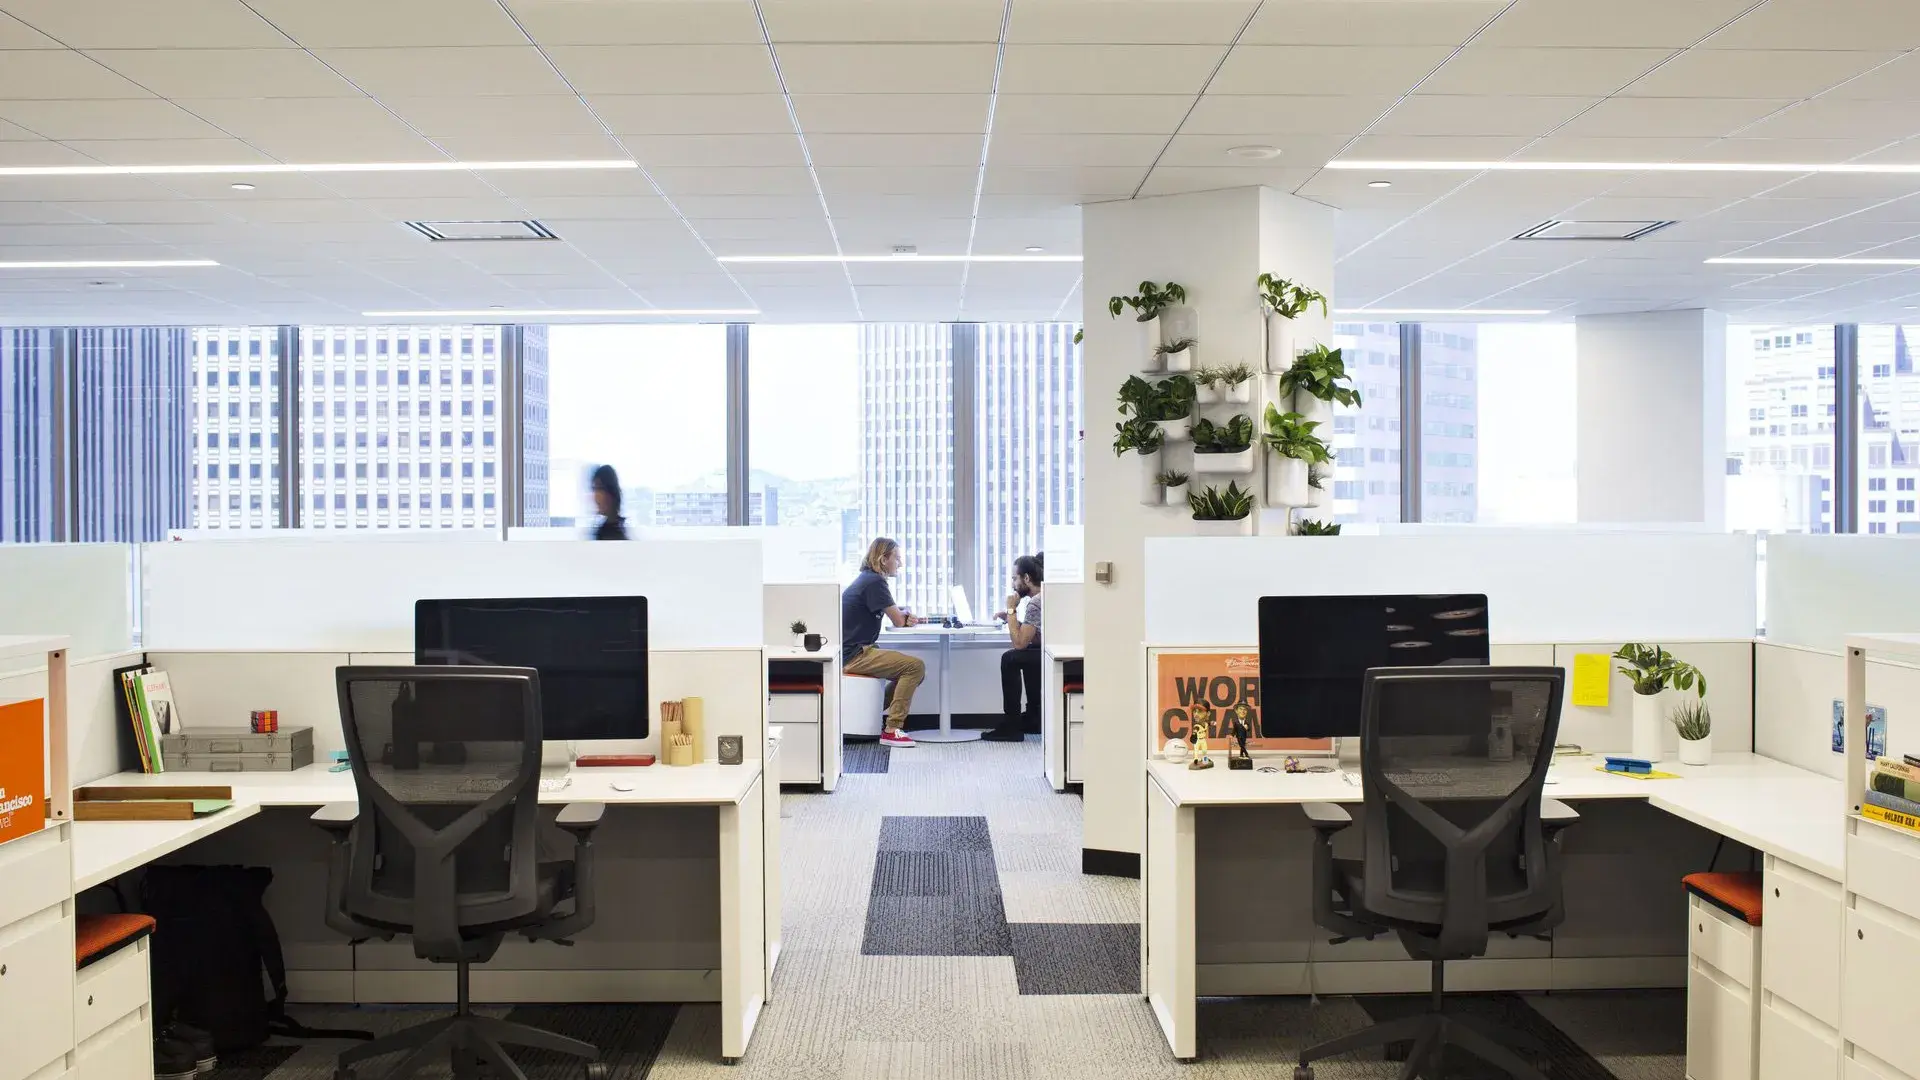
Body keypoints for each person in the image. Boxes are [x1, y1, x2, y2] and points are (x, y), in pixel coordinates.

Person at [841, 538, 925, 748]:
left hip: (853, 651)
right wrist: (904, 617)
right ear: (883, 559)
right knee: (915, 667)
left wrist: (903, 615)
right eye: (897, 558)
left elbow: (895, 613)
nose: (900, 563)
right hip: (854, 655)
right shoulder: (875, 582)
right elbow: (897, 619)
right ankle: (891, 729)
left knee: (913, 670)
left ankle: (873, 714)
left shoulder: (868, 580)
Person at [983, 554, 1044, 742]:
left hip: (1053, 655)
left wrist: (1011, 609)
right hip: (1052, 650)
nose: (1012, 584)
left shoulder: (1035, 602)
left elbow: (1019, 643)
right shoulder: (1046, 596)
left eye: (1014, 578)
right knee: (1026, 655)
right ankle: (1034, 717)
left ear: (1026, 578)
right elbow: (1036, 636)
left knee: (1011, 658)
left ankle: (1011, 726)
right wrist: (1012, 620)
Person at [589, 465, 628, 540]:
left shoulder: (614, 534)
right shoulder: (604, 529)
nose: (595, 496)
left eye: (600, 488)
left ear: (611, 492)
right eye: (594, 489)